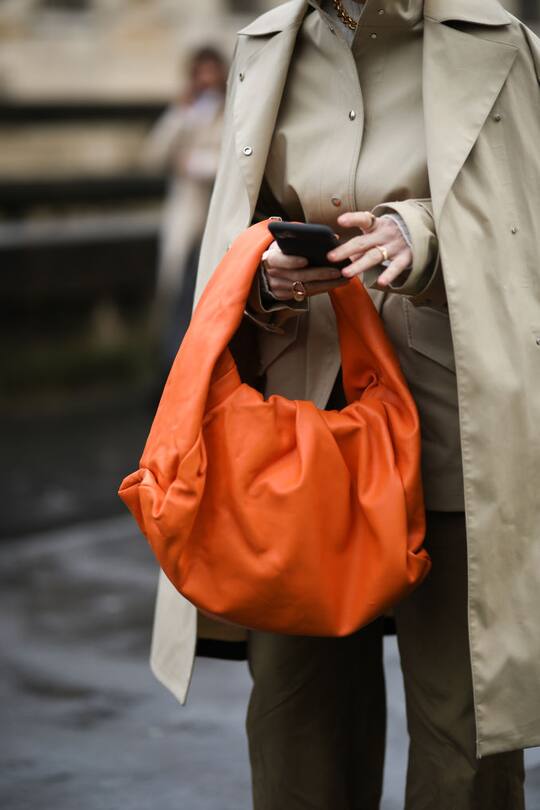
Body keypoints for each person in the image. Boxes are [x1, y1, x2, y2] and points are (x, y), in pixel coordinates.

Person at [149, 1, 540, 808]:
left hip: (457, 435)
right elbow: (237, 231)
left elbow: (525, 229)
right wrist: (264, 276)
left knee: (462, 737)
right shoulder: (264, 46)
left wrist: (421, 236)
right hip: (296, 442)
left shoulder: (501, 46)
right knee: (296, 728)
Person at [143, 46, 227, 369]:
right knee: (173, 289)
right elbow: (154, 155)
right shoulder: (186, 112)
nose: (206, 79)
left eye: (211, 71)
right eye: (200, 72)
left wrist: (203, 164)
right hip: (185, 215)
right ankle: (168, 366)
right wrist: (181, 115)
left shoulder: (231, 110)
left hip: (215, 216)